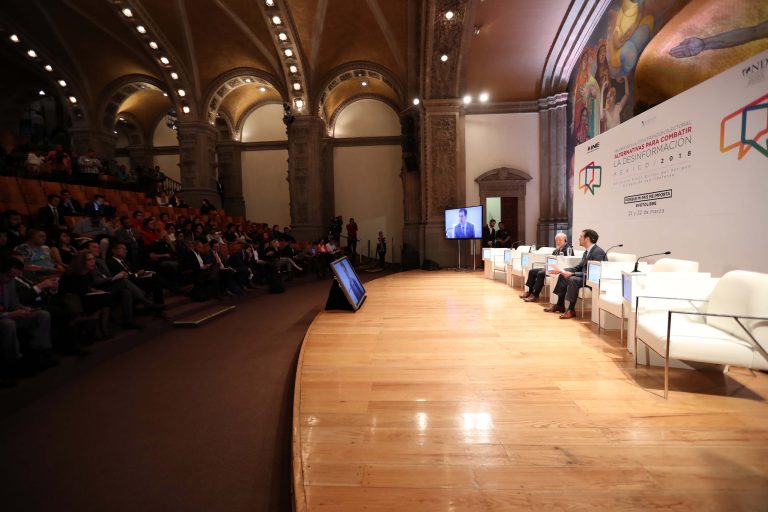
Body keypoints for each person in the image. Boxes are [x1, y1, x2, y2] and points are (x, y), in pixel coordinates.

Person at [0, 256, 55, 386]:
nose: (11, 279)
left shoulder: (10, 282)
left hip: (11, 314)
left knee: (42, 315)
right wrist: (11, 314)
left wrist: (26, 310)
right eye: (8, 276)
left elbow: (15, 304)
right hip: (4, 319)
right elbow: (10, 312)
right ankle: (11, 363)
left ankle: (39, 354)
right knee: (8, 324)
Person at [544, 228, 607, 319]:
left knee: (573, 279)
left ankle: (571, 310)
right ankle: (560, 304)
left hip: (593, 280)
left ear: (587, 239)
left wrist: (572, 274)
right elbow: (579, 267)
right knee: (563, 274)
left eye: (581, 236)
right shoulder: (587, 251)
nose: (579, 238)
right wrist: (562, 270)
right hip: (585, 276)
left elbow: (593, 274)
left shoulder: (598, 253)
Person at [520, 232, 574, 303]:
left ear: (565, 240)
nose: (557, 242)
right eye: (556, 240)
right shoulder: (556, 250)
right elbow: (550, 260)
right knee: (532, 271)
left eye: (560, 240)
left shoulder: (568, 250)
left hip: (558, 270)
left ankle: (535, 295)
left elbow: (567, 263)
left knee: (540, 273)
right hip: (550, 268)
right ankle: (530, 292)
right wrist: (546, 266)